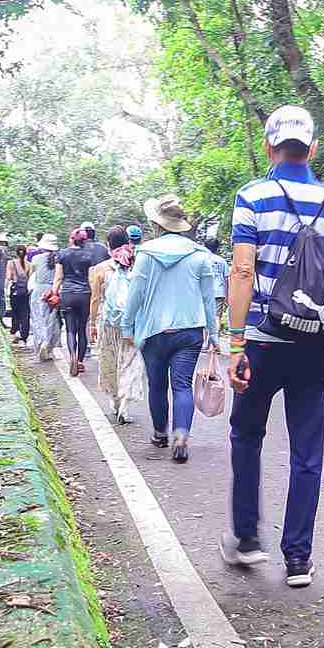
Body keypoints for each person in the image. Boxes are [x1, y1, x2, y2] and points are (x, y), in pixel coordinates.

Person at [219, 105, 324, 589]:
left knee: (246, 436)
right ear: (313, 148)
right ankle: (298, 558)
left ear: (268, 146)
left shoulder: (252, 197)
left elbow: (241, 271)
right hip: (313, 347)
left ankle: (247, 540)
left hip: (261, 340)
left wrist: (236, 343)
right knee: (307, 451)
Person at [121, 195, 224, 462]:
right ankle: (181, 434)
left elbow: (135, 294)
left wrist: (127, 326)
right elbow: (208, 299)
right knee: (181, 386)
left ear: (157, 224)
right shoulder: (200, 256)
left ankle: (159, 433)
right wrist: (213, 334)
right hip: (189, 331)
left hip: (153, 331)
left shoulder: (145, 254)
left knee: (157, 384)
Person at [89, 228, 135, 423]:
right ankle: (125, 405)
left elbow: (95, 299)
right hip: (131, 323)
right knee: (130, 362)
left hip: (108, 323)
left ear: (109, 245)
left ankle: (115, 401)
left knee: (110, 361)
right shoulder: (135, 264)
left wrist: (92, 324)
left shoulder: (99, 269)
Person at [53, 227, 109, 377]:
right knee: (82, 329)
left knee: (70, 329)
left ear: (72, 239)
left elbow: (58, 277)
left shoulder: (62, 254)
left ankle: (71, 355)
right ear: (85, 241)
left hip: (68, 294)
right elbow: (91, 279)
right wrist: (94, 296)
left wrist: (54, 292)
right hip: (84, 294)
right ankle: (79, 360)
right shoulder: (89, 256)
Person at [28, 234, 59, 359]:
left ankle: (42, 341)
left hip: (39, 290)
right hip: (53, 290)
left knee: (38, 318)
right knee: (52, 319)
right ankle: (49, 345)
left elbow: (32, 275)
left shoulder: (35, 258)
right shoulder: (59, 258)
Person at [7, 239, 31, 346]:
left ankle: (15, 332)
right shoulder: (30, 265)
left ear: (16, 253)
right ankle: (24, 335)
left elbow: (9, 277)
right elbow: (30, 280)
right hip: (25, 292)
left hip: (15, 291)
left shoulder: (11, 263)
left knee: (15, 313)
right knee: (25, 313)